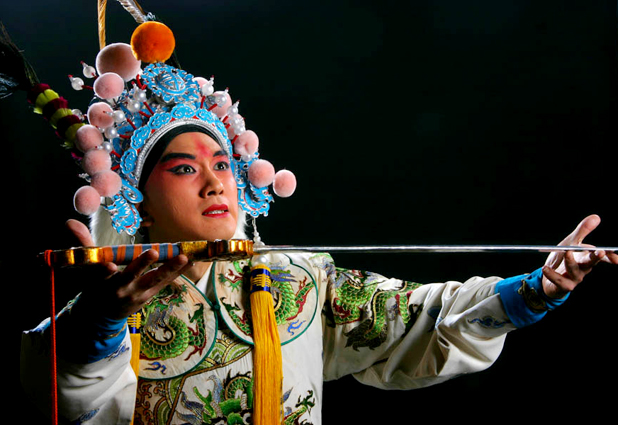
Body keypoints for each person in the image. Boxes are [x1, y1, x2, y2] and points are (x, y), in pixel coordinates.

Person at [12, 6, 617, 425]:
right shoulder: (111, 307)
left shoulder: (295, 281)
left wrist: (537, 289)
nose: (216, 181)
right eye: (185, 168)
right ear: (136, 196)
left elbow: (423, 319)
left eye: (222, 163)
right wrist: (100, 318)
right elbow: (66, 399)